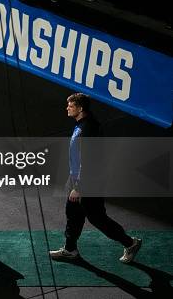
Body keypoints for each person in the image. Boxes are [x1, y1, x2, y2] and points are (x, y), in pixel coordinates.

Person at [49, 93, 141, 264]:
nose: (67, 108)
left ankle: (131, 243)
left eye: (70, 105)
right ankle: (70, 249)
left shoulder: (89, 128)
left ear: (80, 108)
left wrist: (79, 186)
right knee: (73, 214)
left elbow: (89, 161)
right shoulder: (81, 125)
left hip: (88, 183)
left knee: (97, 218)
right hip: (77, 179)